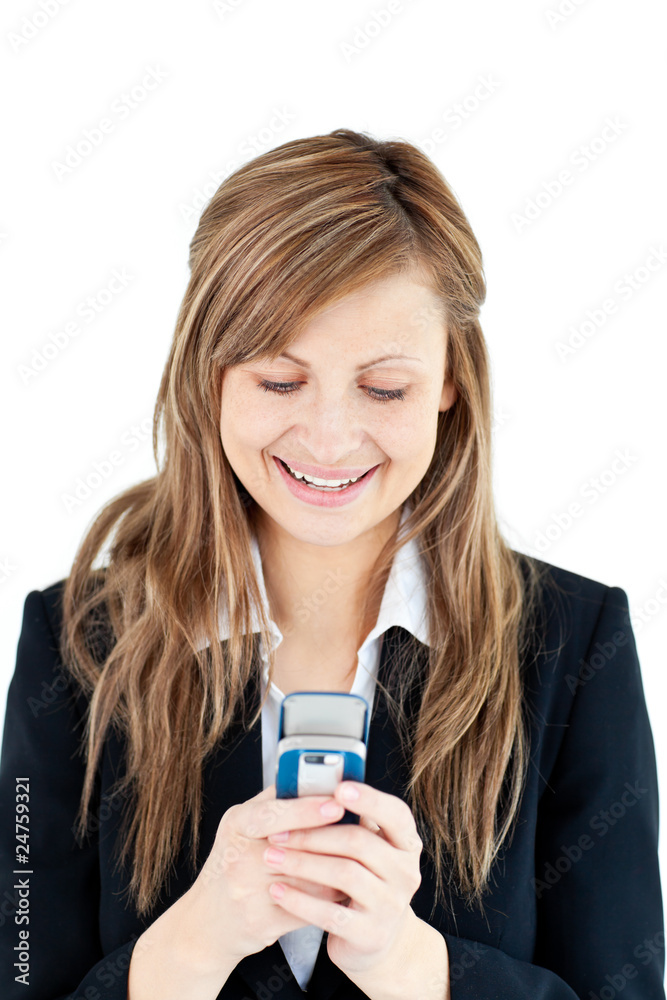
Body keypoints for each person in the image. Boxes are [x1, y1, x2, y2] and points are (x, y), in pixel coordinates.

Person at [0, 128, 663, 1000]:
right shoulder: (75, 645)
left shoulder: (573, 648)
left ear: (449, 381)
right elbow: (20, 976)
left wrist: (414, 969)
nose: (327, 438)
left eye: (383, 388)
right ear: (210, 372)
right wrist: (191, 948)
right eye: (280, 380)